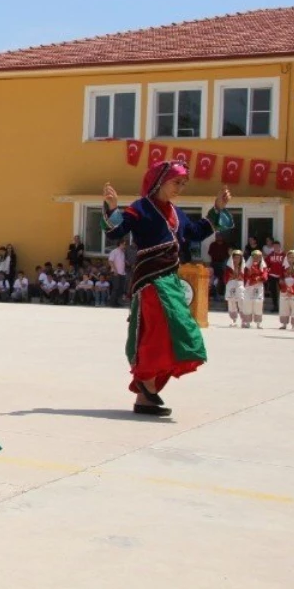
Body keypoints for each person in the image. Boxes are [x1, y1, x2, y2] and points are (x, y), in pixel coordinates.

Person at [102, 161, 232, 416]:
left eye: (183, 184)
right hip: (150, 280)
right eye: (177, 182)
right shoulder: (141, 208)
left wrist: (217, 209)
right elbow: (117, 230)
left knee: (175, 331)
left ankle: (145, 395)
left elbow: (195, 232)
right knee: (158, 332)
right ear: (160, 181)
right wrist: (113, 207)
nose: (180, 188)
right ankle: (145, 386)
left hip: (170, 279)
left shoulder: (176, 213)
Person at [278, 249, 294, 330]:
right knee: (284, 306)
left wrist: (292, 289)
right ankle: (284, 324)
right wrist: (285, 288)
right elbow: (281, 278)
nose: (291, 259)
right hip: (285, 289)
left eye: (293, 257)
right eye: (289, 257)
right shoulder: (283, 267)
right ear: (287, 258)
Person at [242, 250, 267, 329]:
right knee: (248, 302)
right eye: (255, 256)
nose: (256, 258)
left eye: (258, 257)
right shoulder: (247, 266)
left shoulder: (263, 266)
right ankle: (247, 322)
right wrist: (250, 277)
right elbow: (244, 275)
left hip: (258, 285)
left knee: (258, 303)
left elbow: (265, 276)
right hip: (249, 285)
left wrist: (259, 278)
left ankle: (258, 323)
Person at [224, 251, 247, 328]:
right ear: (232, 258)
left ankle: (244, 320)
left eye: (238, 258)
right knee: (231, 302)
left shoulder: (243, 267)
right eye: (235, 257)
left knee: (242, 301)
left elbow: (245, 276)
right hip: (231, 285)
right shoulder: (229, 267)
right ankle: (233, 320)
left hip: (240, 285)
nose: (237, 259)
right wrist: (232, 277)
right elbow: (226, 277)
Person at [107, 238, 128, 307]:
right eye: (124, 244)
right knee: (116, 288)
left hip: (122, 273)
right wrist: (115, 270)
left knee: (121, 289)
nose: (125, 246)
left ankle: (116, 302)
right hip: (116, 272)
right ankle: (112, 303)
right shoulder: (114, 251)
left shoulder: (123, 252)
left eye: (125, 244)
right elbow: (110, 261)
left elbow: (122, 262)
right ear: (120, 244)